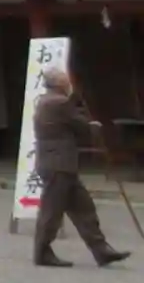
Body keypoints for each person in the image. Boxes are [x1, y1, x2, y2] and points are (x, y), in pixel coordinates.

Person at [31, 67, 130, 269]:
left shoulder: (45, 100)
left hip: (59, 163)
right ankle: (42, 251)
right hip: (58, 164)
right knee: (52, 210)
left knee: (83, 207)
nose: (69, 83)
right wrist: (94, 126)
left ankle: (101, 250)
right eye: (66, 80)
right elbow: (81, 126)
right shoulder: (60, 102)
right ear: (60, 83)